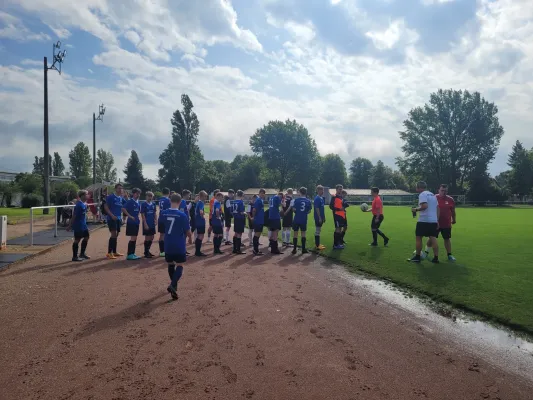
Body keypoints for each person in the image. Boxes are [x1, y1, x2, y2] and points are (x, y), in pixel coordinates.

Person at [161, 193, 191, 300]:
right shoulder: (182, 215)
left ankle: (174, 286)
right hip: (179, 243)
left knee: (170, 264)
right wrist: (191, 239)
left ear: (170, 201)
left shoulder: (163, 213)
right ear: (180, 202)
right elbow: (187, 231)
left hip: (168, 243)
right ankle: (173, 284)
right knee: (180, 265)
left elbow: (161, 227)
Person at [410, 181, 440, 263]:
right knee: (433, 238)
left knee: (418, 237)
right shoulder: (433, 195)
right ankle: (436, 258)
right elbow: (438, 208)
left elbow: (424, 206)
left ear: (418, 188)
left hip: (424, 220)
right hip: (433, 221)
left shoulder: (422, 194)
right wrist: (437, 220)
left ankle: (417, 257)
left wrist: (416, 209)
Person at [425, 184, 456, 261]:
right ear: (439, 190)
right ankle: (426, 252)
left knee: (447, 238)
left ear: (447, 191)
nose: (444, 192)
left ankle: (449, 255)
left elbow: (453, 211)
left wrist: (454, 219)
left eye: (445, 191)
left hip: (446, 223)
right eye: (442, 190)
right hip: (435, 222)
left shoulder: (450, 199)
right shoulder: (433, 198)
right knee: (431, 238)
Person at [67, 190, 91, 262]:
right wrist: (70, 225)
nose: (88, 195)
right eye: (86, 194)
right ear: (82, 196)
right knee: (77, 240)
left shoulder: (83, 204)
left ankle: (82, 254)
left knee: (86, 237)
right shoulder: (79, 205)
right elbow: (74, 215)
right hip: (78, 225)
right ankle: (74, 257)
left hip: (83, 225)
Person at [104, 183, 125, 259]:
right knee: (113, 234)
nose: (120, 190)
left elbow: (124, 207)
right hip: (111, 218)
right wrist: (111, 215)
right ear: (115, 189)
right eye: (119, 188)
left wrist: (122, 217)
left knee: (116, 235)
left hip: (118, 219)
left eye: (121, 188)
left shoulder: (121, 198)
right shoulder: (111, 197)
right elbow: (106, 206)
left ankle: (115, 252)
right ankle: (109, 253)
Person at [122, 188, 142, 260]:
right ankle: (130, 254)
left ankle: (132, 253)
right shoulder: (130, 201)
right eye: (136, 193)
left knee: (135, 238)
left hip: (136, 222)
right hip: (131, 222)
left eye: (139, 193)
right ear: (133, 194)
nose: (138, 195)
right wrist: (130, 216)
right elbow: (123, 208)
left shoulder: (138, 202)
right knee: (133, 238)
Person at [291, 187, 312, 254]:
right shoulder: (308, 201)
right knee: (303, 234)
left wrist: (297, 212)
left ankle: (294, 249)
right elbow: (309, 211)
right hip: (303, 219)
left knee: (295, 233)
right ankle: (303, 249)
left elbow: (294, 209)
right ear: (305, 192)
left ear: (300, 192)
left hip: (296, 219)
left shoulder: (296, 200)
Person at [329, 184, 346, 250]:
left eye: (341, 189)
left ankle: (338, 243)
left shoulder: (341, 197)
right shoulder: (334, 197)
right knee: (337, 229)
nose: (340, 190)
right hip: (336, 215)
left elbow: (341, 205)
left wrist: (344, 208)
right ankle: (335, 245)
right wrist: (339, 209)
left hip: (341, 215)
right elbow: (331, 206)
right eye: (339, 189)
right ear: (336, 190)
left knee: (340, 229)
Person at [141, 191, 157, 258]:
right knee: (147, 237)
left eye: (151, 196)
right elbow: (142, 214)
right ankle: (146, 252)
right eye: (149, 196)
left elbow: (154, 213)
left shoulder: (153, 204)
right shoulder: (144, 204)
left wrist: (156, 219)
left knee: (152, 237)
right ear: (146, 196)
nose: (150, 197)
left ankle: (148, 251)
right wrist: (145, 223)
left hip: (152, 223)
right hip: (147, 223)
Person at [251, 189, 266, 256]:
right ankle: (255, 250)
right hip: (258, 220)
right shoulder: (258, 200)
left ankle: (256, 249)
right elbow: (254, 210)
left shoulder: (261, 200)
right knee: (257, 235)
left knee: (258, 234)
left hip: (260, 220)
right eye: (261, 193)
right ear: (259, 193)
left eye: (263, 193)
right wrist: (254, 217)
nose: (262, 194)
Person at [157, 188, 172, 257]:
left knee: (161, 235)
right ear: (168, 193)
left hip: (160, 218)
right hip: (166, 219)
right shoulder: (168, 200)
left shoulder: (160, 199)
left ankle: (162, 251)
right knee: (167, 235)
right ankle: (165, 250)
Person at [231, 190, 246, 255]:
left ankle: (234, 248)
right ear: (242, 195)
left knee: (236, 233)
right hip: (240, 219)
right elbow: (242, 212)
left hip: (236, 218)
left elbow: (232, 210)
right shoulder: (241, 202)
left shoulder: (234, 201)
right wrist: (245, 213)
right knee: (239, 234)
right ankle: (238, 249)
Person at [194, 191, 208, 257]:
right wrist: (202, 217)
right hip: (200, 221)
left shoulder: (198, 202)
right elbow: (201, 211)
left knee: (199, 235)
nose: (206, 197)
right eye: (205, 196)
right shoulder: (201, 203)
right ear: (202, 196)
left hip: (197, 221)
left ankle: (197, 251)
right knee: (201, 236)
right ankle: (198, 252)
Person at [180, 190, 193, 254]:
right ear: (185, 195)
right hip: (183, 222)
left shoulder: (183, 201)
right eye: (189, 195)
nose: (189, 196)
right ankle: (182, 250)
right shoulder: (182, 201)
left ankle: (183, 249)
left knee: (184, 236)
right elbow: (182, 211)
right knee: (183, 236)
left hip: (185, 220)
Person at [313, 185, 326, 250]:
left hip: (321, 217)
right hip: (318, 217)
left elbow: (322, 209)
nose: (323, 191)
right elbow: (317, 208)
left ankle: (318, 244)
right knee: (317, 230)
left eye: (323, 190)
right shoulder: (317, 198)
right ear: (318, 190)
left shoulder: (321, 198)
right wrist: (320, 217)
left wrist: (324, 217)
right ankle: (317, 245)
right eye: (321, 190)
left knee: (319, 230)